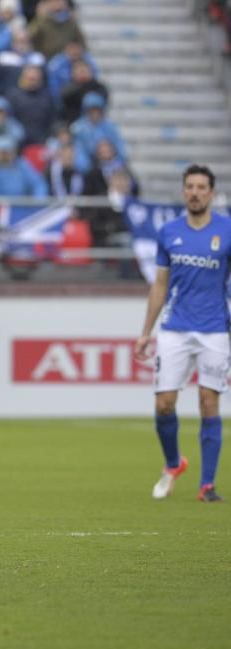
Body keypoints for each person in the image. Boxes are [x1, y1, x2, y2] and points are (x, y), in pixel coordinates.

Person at [134, 165, 229, 503]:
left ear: (212, 193)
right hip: (174, 327)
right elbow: (159, 284)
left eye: (201, 187)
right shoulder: (169, 232)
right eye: (189, 186)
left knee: (208, 402)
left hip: (215, 329)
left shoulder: (227, 230)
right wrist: (146, 332)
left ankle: (207, 485)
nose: (195, 192)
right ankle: (174, 463)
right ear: (182, 191)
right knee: (164, 405)